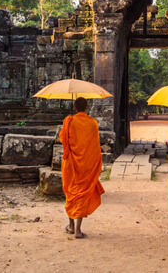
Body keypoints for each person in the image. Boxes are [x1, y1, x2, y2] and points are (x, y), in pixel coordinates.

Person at [60, 96, 105, 238]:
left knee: (71, 193)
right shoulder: (93, 123)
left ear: (74, 107)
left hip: (71, 164)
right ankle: (78, 230)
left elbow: (63, 139)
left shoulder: (69, 121)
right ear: (87, 108)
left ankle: (71, 226)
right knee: (82, 194)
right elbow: (95, 146)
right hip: (87, 165)